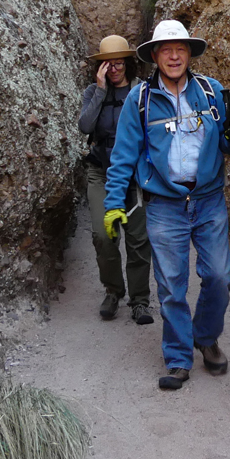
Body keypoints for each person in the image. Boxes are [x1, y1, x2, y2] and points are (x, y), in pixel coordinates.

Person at [102, 20, 230, 390]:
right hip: (164, 206)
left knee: (220, 277)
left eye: (180, 48)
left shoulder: (211, 91)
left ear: (189, 53)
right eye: (166, 49)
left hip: (208, 200)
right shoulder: (140, 100)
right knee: (171, 286)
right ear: (154, 55)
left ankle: (206, 336)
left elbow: (225, 143)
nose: (173, 55)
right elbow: (122, 158)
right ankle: (179, 357)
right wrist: (113, 203)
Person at [79, 35, 154, 325]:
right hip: (101, 172)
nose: (114, 68)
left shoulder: (141, 92)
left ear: (128, 63)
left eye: (119, 62)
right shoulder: (92, 92)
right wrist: (99, 91)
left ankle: (140, 300)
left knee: (138, 239)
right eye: (108, 64)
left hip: (134, 175)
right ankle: (113, 291)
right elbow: (85, 126)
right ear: (101, 67)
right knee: (103, 235)